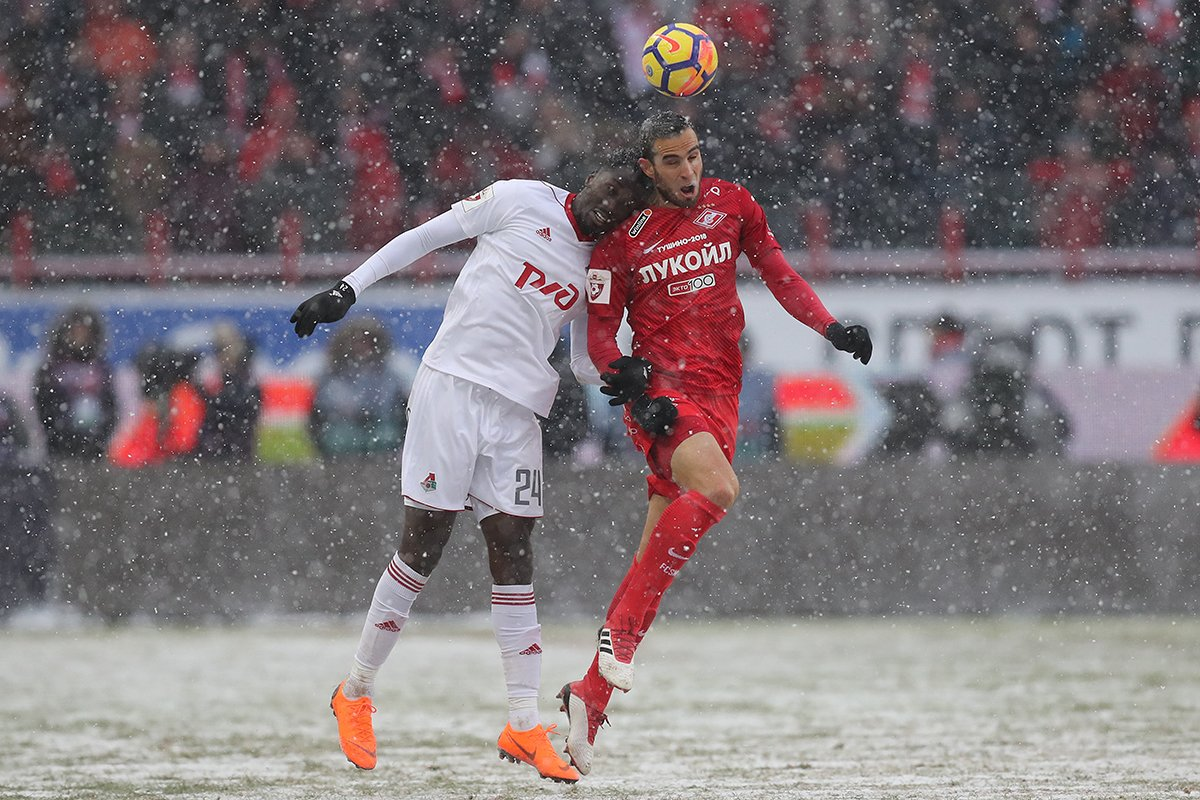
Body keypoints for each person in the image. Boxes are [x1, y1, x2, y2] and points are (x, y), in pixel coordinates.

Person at [288, 148, 649, 783]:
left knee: (513, 550)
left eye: (626, 203)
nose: (611, 202)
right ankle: (356, 691)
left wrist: (628, 374)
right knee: (424, 540)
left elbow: (588, 362)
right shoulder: (521, 199)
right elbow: (425, 236)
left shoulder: (600, 267)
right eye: (610, 187)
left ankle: (522, 722)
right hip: (452, 385)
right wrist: (349, 289)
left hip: (517, 414)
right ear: (590, 178)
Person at [558, 112, 873, 775]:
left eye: (695, 156)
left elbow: (781, 274)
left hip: (721, 395)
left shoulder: (733, 205)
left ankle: (589, 695)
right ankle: (617, 636)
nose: (690, 171)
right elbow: (596, 336)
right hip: (665, 400)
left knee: (653, 558)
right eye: (674, 161)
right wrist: (628, 379)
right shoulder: (621, 240)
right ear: (648, 167)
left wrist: (831, 326)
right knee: (720, 488)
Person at [308, 316, 407, 458]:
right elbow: (320, 411)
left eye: (367, 342)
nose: (362, 347)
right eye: (356, 342)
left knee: (385, 436)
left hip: (381, 433)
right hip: (341, 433)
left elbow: (398, 410)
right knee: (340, 439)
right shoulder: (332, 374)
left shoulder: (391, 374)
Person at [34, 305, 118, 460]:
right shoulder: (52, 368)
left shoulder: (101, 368)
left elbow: (111, 407)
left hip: (94, 448)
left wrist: (98, 435)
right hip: (58, 449)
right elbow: (43, 407)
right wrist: (62, 432)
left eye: (85, 332)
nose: (80, 337)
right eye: (75, 331)